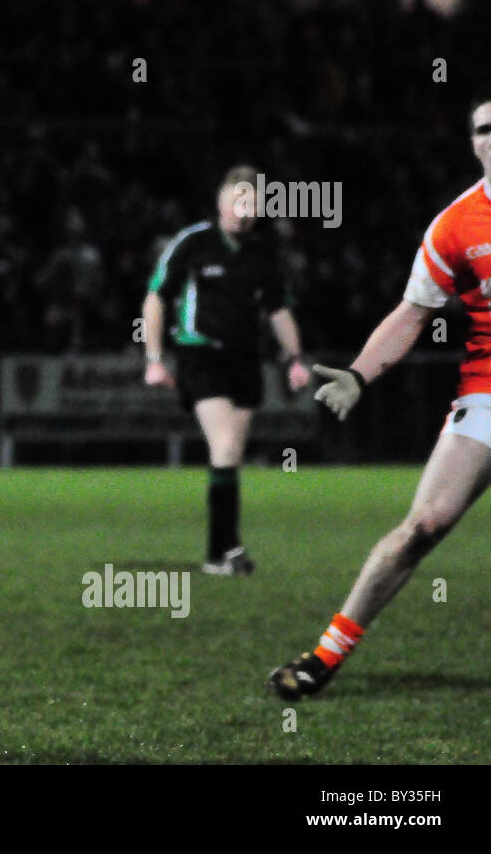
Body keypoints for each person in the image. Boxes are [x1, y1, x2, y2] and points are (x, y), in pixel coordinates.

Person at [269, 92, 491, 700]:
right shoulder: (455, 226)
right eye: (483, 128)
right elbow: (413, 314)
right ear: (472, 143)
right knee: (423, 523)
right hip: (487, 392)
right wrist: (360, 374)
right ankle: (326, 655)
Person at [142, 164, 311, 574]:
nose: (244, 209)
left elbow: (278, 310)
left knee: (230, 455)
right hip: (201, 356)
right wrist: (154, 357)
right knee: (226, 447)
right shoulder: (193, 243)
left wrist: (294, 358)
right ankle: (222, 553)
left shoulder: (261, 255)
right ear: (221, 201)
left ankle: (226, 549)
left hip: (246, 361)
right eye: (238, 199)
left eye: (252, 202)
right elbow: (156, 297)